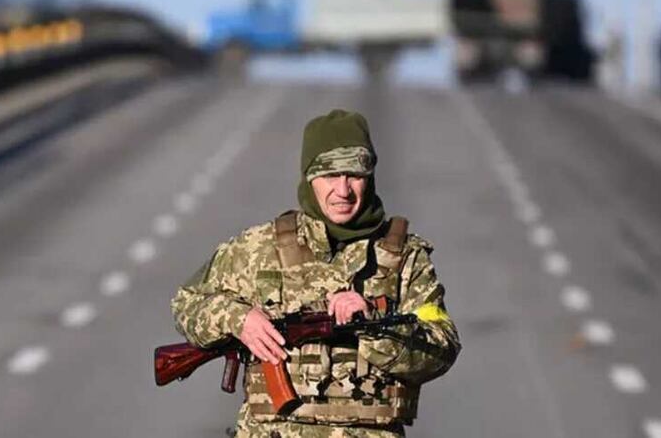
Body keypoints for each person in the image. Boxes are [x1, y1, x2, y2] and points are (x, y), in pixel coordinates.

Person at [172, 109, 460, 437]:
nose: (343, 190)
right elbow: (187, 303)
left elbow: (442, 347)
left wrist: (373, 329)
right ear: (309, 178)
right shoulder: (257, 248)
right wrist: (237, 318)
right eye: (329, 176)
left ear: (370, 176)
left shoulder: (406, 257)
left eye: (354, 175)